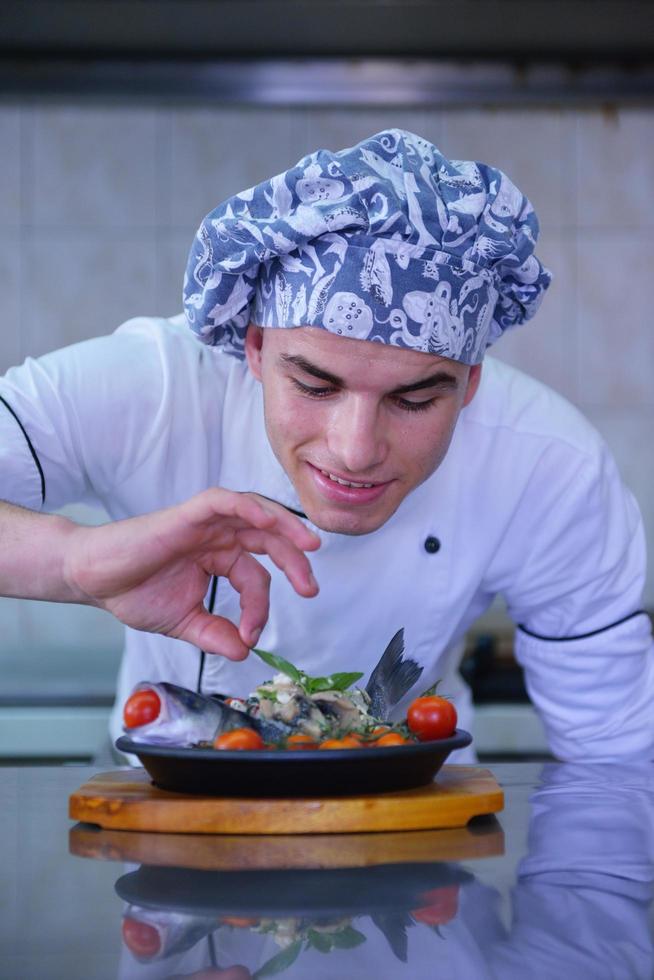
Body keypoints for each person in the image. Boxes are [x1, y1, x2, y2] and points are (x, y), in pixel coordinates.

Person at [0, 129, 652, 762]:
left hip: (421, 834)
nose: (356, 449)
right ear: (254, 347)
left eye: (414, 400)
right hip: (169, 822)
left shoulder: (547, 463)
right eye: (315, 384)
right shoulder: (158, 386)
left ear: (471, 382)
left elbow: (615, 754)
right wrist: (76, 563)